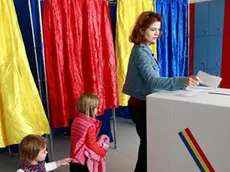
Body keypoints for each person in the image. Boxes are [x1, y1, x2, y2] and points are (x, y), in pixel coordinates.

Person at [123, 11, 200, 172]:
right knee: (148, 145)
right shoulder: (140, 52)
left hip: (144, 104)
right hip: (140, 106)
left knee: (149, 144)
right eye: (153, 29)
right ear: (142, 30)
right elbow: (152, 81)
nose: (157, 33)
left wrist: (180, 83)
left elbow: (152, 80)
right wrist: (182, 81)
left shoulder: (144, 49)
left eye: (158, 29)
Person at [70, 93, 109, 172]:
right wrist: (102, 152)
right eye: (96, 108)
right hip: (83, 158)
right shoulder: (90, 125)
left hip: (74, 156)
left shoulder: (76, 120)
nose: (98, 110)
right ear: (90, 109)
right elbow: (91, 144)